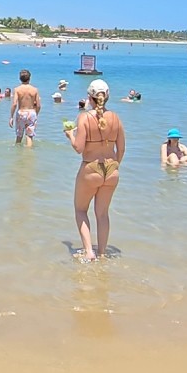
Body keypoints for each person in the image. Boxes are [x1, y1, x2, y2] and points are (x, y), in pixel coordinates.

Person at [64, 80, 125, 261]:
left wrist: (70, 135)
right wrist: (115, 165)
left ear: (90, 98)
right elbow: (121, 149)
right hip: (112, 169)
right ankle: (103, 253)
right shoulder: (116, 118)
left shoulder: (84, 118)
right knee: (103, 213)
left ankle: (89, 251)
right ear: (107, 97)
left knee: (81, 210)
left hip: (91, 168)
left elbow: (79, 148)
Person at [8, 69, 41, 148]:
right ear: (29, 78)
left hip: (21, 112)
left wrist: (11, 117)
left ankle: (18, 154)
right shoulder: (35, 90)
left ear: (20, 78)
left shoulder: (17, 89)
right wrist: (36, 114)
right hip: (31, 112)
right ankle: (28, 155)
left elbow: (14, 104)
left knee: (19, 135)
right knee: (29, 136)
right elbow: (38, 105)